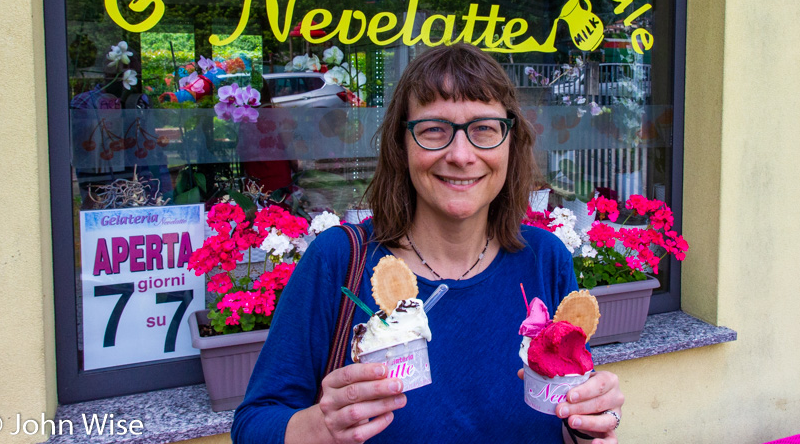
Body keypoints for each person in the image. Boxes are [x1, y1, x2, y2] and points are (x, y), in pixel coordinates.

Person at [232, 44, 625, 444]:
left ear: (511, 142)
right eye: (434, 129)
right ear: (402, 145)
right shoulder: (338, 261)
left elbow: (568, 414)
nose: (460, 155)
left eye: (484, 129)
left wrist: (590, 428)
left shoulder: (544, 259)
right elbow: (252, 425)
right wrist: (319, 428)